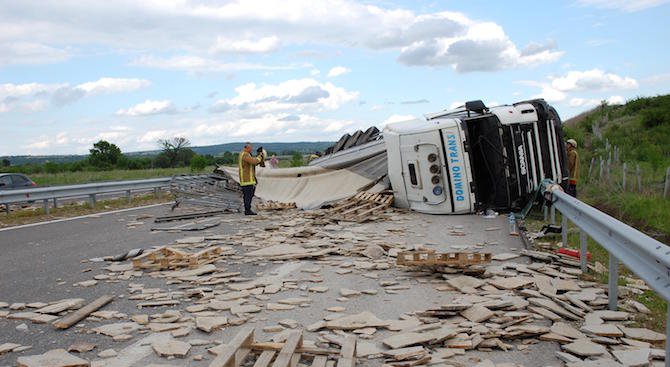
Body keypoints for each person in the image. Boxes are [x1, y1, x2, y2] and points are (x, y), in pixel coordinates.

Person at [238, 142, 264, 215]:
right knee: (248, 195)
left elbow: (253, 163)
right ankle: (247, 210)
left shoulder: (245, 154)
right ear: (247, 147)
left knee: (249, 195)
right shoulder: (245, 154)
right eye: (251, 148)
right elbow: (253, 162)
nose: (252, 149)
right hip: (247, 179)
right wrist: (259, 157)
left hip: (249, 179)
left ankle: (247, 209)